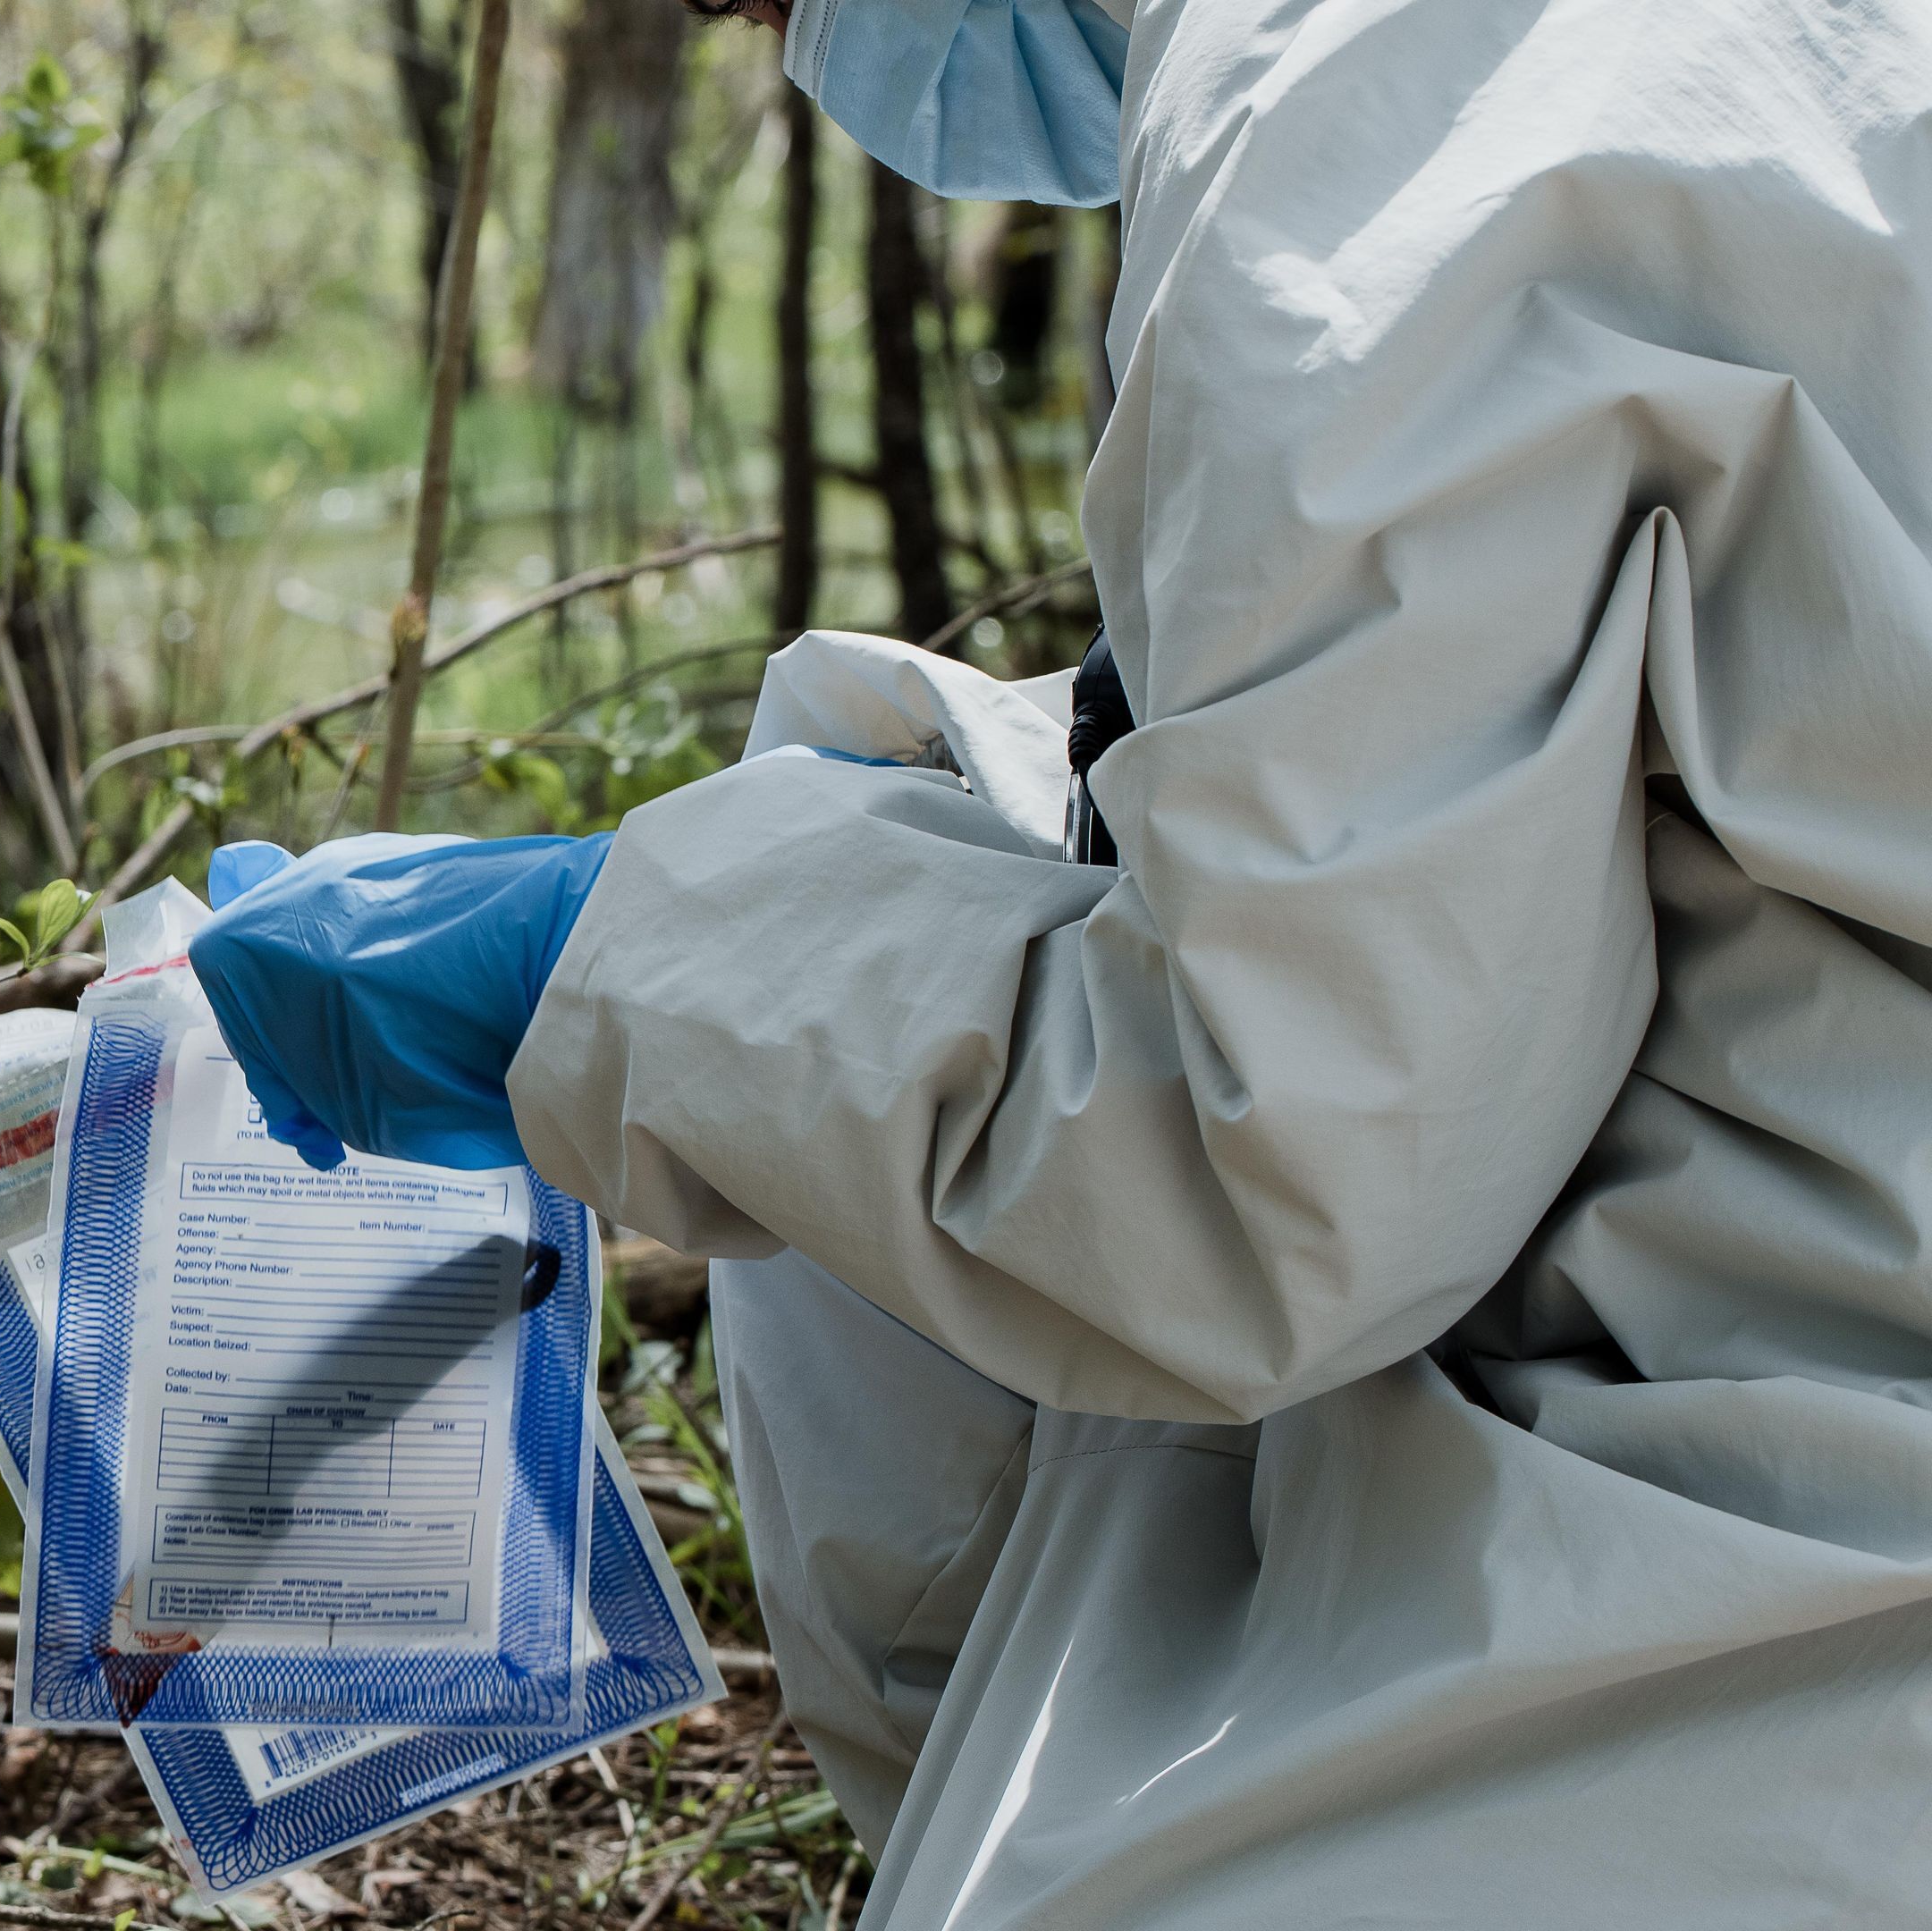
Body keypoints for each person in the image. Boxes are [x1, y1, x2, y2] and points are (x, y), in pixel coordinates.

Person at [189, 0, 1932, 1920]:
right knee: (914, 783)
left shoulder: (1368, 133)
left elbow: (1285, 1163)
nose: (773, 41)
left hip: (1831, 1464)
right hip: (1825, 1162)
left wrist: (617, 966)